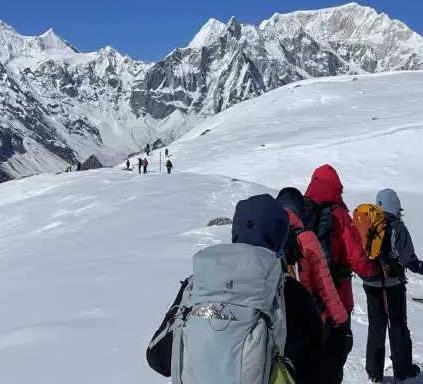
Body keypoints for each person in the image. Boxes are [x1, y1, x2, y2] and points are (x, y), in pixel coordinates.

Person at [146, 194, 326, 384]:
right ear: (280, 237)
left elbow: (158, 358)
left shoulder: (198, 283)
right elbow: (320, 369)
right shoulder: (290, 291)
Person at [304, 164, 376, 384]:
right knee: (336, 349)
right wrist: (372, 271)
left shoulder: (302, 212)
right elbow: (356, 256)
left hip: (304, 294)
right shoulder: (339, 215)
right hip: (337, 294)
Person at [361, 189, 423, 382]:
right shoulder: (397, 227)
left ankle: (374, 372)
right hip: (392, 283)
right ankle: (402, 369)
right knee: (397, 325)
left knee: (376, 326)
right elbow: (408, 260)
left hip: (370, 282)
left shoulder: (367, 224)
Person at [276, 187, 348, 328]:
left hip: (276, 318)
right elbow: (323, 282)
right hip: (307, 314)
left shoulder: (268, 234)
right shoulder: (306, 237)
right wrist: (338, 317)